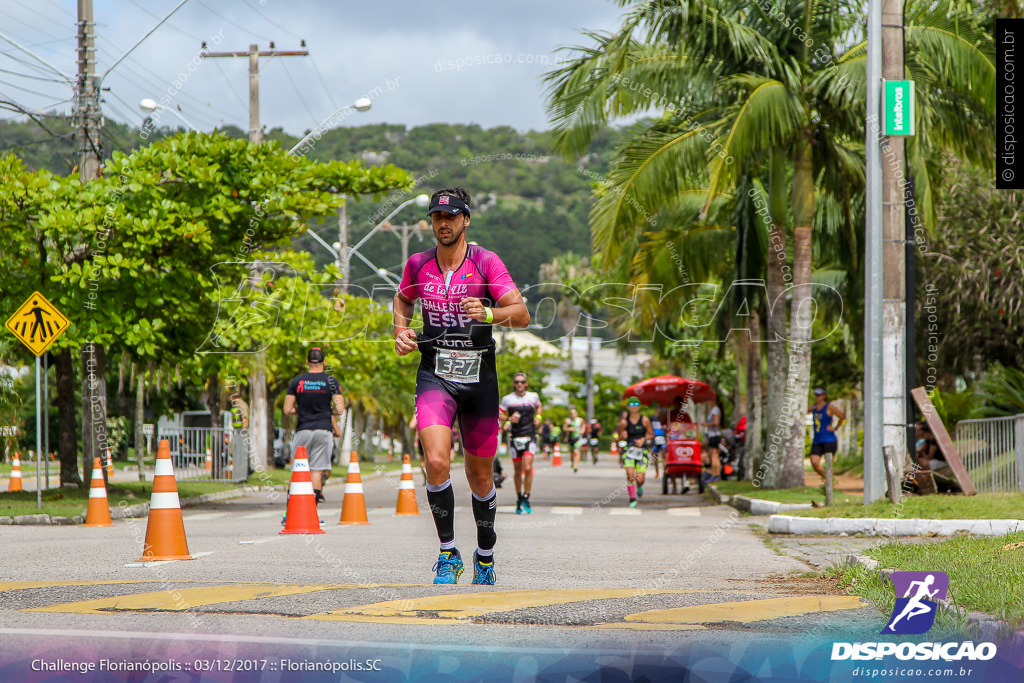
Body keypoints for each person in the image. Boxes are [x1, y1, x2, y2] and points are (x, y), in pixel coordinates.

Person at [393, 185, 529, 585]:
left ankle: (484, 554)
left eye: (451, 217)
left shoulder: (486, 262)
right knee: (435, 461)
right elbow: (402, 300)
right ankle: (448, 552)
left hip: (479, 380)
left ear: (465, 219)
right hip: (435, 373)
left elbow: (520, 313)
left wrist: (488, 312)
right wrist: (400, 332)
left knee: (480, 477)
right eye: (437, 217)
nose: (444, 223)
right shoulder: (418, 264)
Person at [283, 347, 345, 505]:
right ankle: (311, 511)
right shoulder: (331, 381)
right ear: (324, 362)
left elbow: (287, 409)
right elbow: (339, 408)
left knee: (298, 469)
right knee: (316, 471)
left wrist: (301, 409)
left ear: (307, 362)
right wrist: (326, 410)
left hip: (303, 430)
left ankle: (290, 510)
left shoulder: (297, 381)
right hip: (323, 430)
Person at [499, 372, 542, 514]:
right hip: (515, 437)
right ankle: (519, 497)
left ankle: (527, 496)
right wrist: (509, 419)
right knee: (517, 470)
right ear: (514, 384)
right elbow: (498, 414)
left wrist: (538, 417)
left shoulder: (533, 396)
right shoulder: (507, 399)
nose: (519, 384)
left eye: (522, 382)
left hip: (530, 435)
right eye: (517, 382)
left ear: (526, 384)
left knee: (528, 467)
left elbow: (539, 406)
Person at [618, 398, 653, 508]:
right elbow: (618, 437)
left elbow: (651, 434)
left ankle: (639, 486)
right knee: (630, 475)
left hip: (642, 451)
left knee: (640, 479)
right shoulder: (624, 422)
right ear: (628, 407)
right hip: (629, 451)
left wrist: (643, 439)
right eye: (631, 404)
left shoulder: (645, 420)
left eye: (636, 403)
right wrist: (621, 437)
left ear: (639, 406)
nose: (634, 406)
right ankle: (632, 499)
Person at [808, 387, 845, 482]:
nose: (817, 397)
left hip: (829, 440)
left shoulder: (829, 407)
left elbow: (842, 415)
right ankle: (829, 479)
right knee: (814, 462)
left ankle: (829, 483)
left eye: (819, 395)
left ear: (824, 396)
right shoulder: (814, 407)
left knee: (828, 465)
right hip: (817, 440)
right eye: (816, 395)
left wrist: (835, 427)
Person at [702, 398, 724, 483]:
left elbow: (716, 422)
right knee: (713, 455)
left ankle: (716, 475)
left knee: (714, 456)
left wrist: (706, 424)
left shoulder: (715, 410)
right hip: (712, 435)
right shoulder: (715, 410)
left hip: (714, 435)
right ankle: (714, 474)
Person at [563, 407, 587, 473]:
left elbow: (583, 426)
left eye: (574, 413)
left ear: (576, 414)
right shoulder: (568, 420)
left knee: (576, 451)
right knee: (572, 453)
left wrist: (582, 430)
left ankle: (576, 466)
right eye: (571, 413)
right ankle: (572, 462)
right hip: (570, 438)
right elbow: (564, 428)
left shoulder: (580, 420)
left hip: (577, 438)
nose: (572, 415)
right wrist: (569, 429)